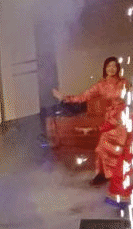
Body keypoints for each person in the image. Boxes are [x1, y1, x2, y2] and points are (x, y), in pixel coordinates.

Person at [52, 57, 126, 186]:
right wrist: (64, 98)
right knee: (101, 148)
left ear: (118, 68)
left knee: (121, 148)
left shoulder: (124, 82)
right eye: (109, 66)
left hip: (123, 118)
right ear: (105, 68)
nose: (111, 68)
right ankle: (102, 175)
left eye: (114, 66)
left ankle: (122, 174)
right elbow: (84, 96)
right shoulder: (101, 85)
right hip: (110, 119)